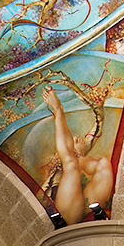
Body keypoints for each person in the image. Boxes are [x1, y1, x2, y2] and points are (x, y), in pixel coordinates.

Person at [41, 85, 114, 225]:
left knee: (103, 163)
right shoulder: (69, 161)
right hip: (71, 211)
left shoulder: (81, 151)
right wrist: (78, 155)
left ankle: (78, 157)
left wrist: (79, 155)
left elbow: (97, 130)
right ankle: (58, 109)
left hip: (90, 204)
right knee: (71, 164)